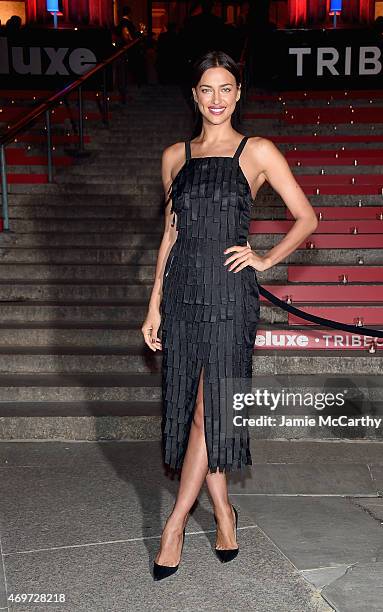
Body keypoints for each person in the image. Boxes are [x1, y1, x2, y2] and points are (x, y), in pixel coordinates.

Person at [141, 50, 318, 580]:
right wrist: (153, 304)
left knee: (206, 406)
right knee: (201, 411)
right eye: (206, 89)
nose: (216, 99)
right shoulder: (174, 157)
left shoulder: (257, 150)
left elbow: (307, 217)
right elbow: (170, 234)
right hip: (182, 295)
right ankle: (224, 514)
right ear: (193, 96)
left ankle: (174, 524)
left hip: (228, 297)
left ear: (238, 94)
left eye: (226, 88)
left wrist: (264, 258)